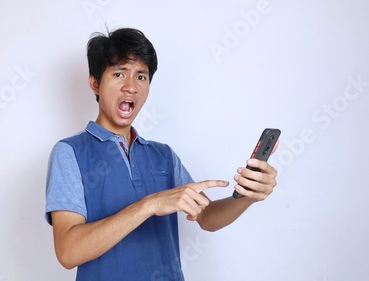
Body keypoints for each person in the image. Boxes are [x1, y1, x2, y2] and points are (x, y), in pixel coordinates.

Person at [45, 27, 278, 281]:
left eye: (141, 77)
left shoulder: (163, 156)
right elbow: (68, 252)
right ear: (95, 83)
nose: (131, 87)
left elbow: (207, 217)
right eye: (119, 73)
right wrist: (150, 204)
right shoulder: (69, 153)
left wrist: (246, 197)